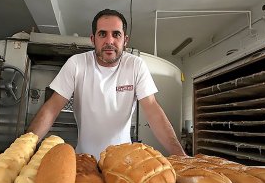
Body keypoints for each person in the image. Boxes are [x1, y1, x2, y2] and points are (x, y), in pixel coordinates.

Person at [27, 9, 186, 159]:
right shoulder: (77, 64)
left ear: (125, 40)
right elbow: (51, 108)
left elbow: (153, 111)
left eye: (116, 34)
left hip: (123, 161)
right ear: (93, 39)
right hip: (85, 160)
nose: (109, 41)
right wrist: (25, 149)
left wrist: (180, 156)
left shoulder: (136, 65)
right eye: (102, 34)